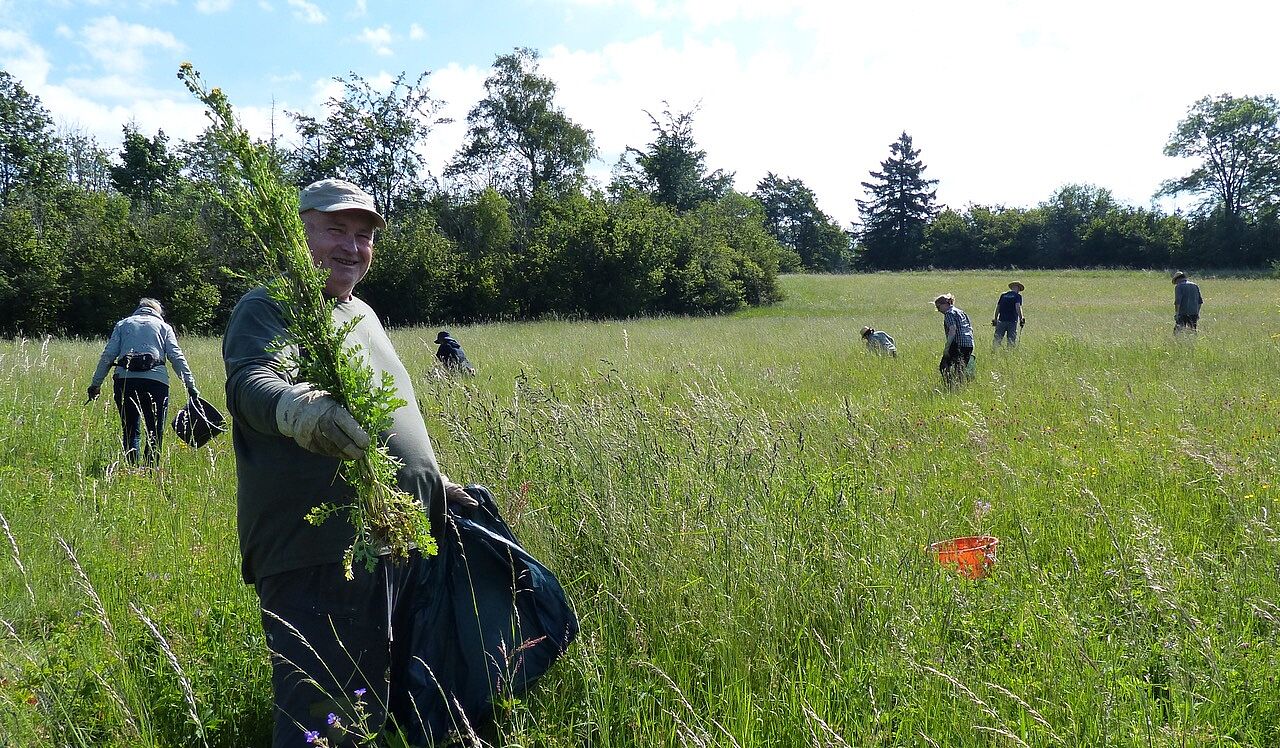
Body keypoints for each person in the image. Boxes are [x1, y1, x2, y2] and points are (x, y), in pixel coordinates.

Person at [222, 178, 477, 747]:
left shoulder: (360, 313)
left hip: (387, 538)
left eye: (363, 236)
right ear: (299, 231)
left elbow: (388, 425)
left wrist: (432, 484)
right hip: (319, 552)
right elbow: (250, 384)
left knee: (369, 709)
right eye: (335, 229)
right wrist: (301, 411)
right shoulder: (271, 305)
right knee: (323, 718)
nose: (351, 247)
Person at [87, 297, 199, 465]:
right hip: (156, 383)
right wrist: (190, 386)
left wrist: (96, 384)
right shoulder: (164, 327)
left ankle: (131, 469)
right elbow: (176, 357)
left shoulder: (123, 325)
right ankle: (151, 470)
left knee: (130, 430)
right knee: (155, 431)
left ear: (139, 309)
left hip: (125, 381)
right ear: (157, 312)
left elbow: (108, 356)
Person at [934, 293, 974, 385]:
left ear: (945, 304)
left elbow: (952, 329)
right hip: (969, 344)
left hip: (957, 344)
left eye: (938, 307)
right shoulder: (961, 312)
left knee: (944, 367)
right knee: (960, 369)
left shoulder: (949, 313)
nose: (938, 310)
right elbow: (970, 328)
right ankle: (960, 387)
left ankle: (950, 386)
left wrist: (947, 347)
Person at [991, 281, 1025, 347]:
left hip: (1001, 320)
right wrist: (1021, 318)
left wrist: (995, 318)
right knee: (1011, 341)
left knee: (997, 340)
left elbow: (998, 307)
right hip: (1012, 321)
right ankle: (1009, 354)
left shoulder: (1003, 295)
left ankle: (994, 353)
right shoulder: (1017, 296)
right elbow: (1017, 307)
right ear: (1018, 288)